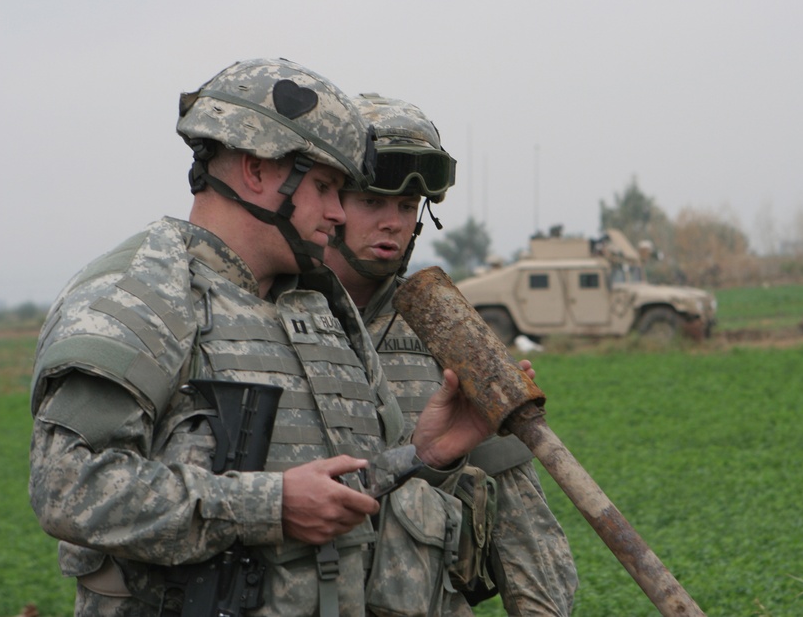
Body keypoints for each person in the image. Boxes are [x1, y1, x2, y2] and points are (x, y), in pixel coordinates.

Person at [28, 59, 494, 616]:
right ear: (255, 170)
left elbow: (333, 491)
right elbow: (68, 488)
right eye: (324, 186)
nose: (338, 211)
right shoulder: (140, 291)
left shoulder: (318, 303)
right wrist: (268, 507)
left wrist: (423, 455)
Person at [323, 92, 579, 615]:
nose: (393, 222)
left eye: (407, 206)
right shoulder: (265, 317)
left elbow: (523, 524)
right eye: (372, 201)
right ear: (328, 199)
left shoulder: (444, 327)